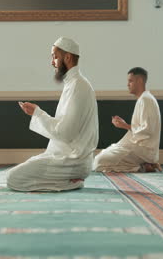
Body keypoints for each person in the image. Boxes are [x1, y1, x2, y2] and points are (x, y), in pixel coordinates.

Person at [6, 37, 99, 191]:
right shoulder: (73, 84)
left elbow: (65, 132)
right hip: (67, 157)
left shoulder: (78, 86)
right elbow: (64, 128)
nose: (52, 63)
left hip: (73, 161)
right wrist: (36, 113)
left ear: (67, 57)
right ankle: (70, 181)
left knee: (13, 179)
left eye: (55, 57)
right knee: (22, 169)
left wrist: (38, 113)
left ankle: (70, 181)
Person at [94, 67, 162, 173]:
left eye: (130, 81)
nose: (127, 84)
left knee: (99, 163)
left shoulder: (146, 100)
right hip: (137, 145)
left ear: (139, 81)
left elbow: (147, 130)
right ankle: (145, 164)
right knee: (100, 157)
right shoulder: (143, 99)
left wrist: (124, 125)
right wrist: (124, 124)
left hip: (144, 149)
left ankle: (144, 166)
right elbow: (141, 128)